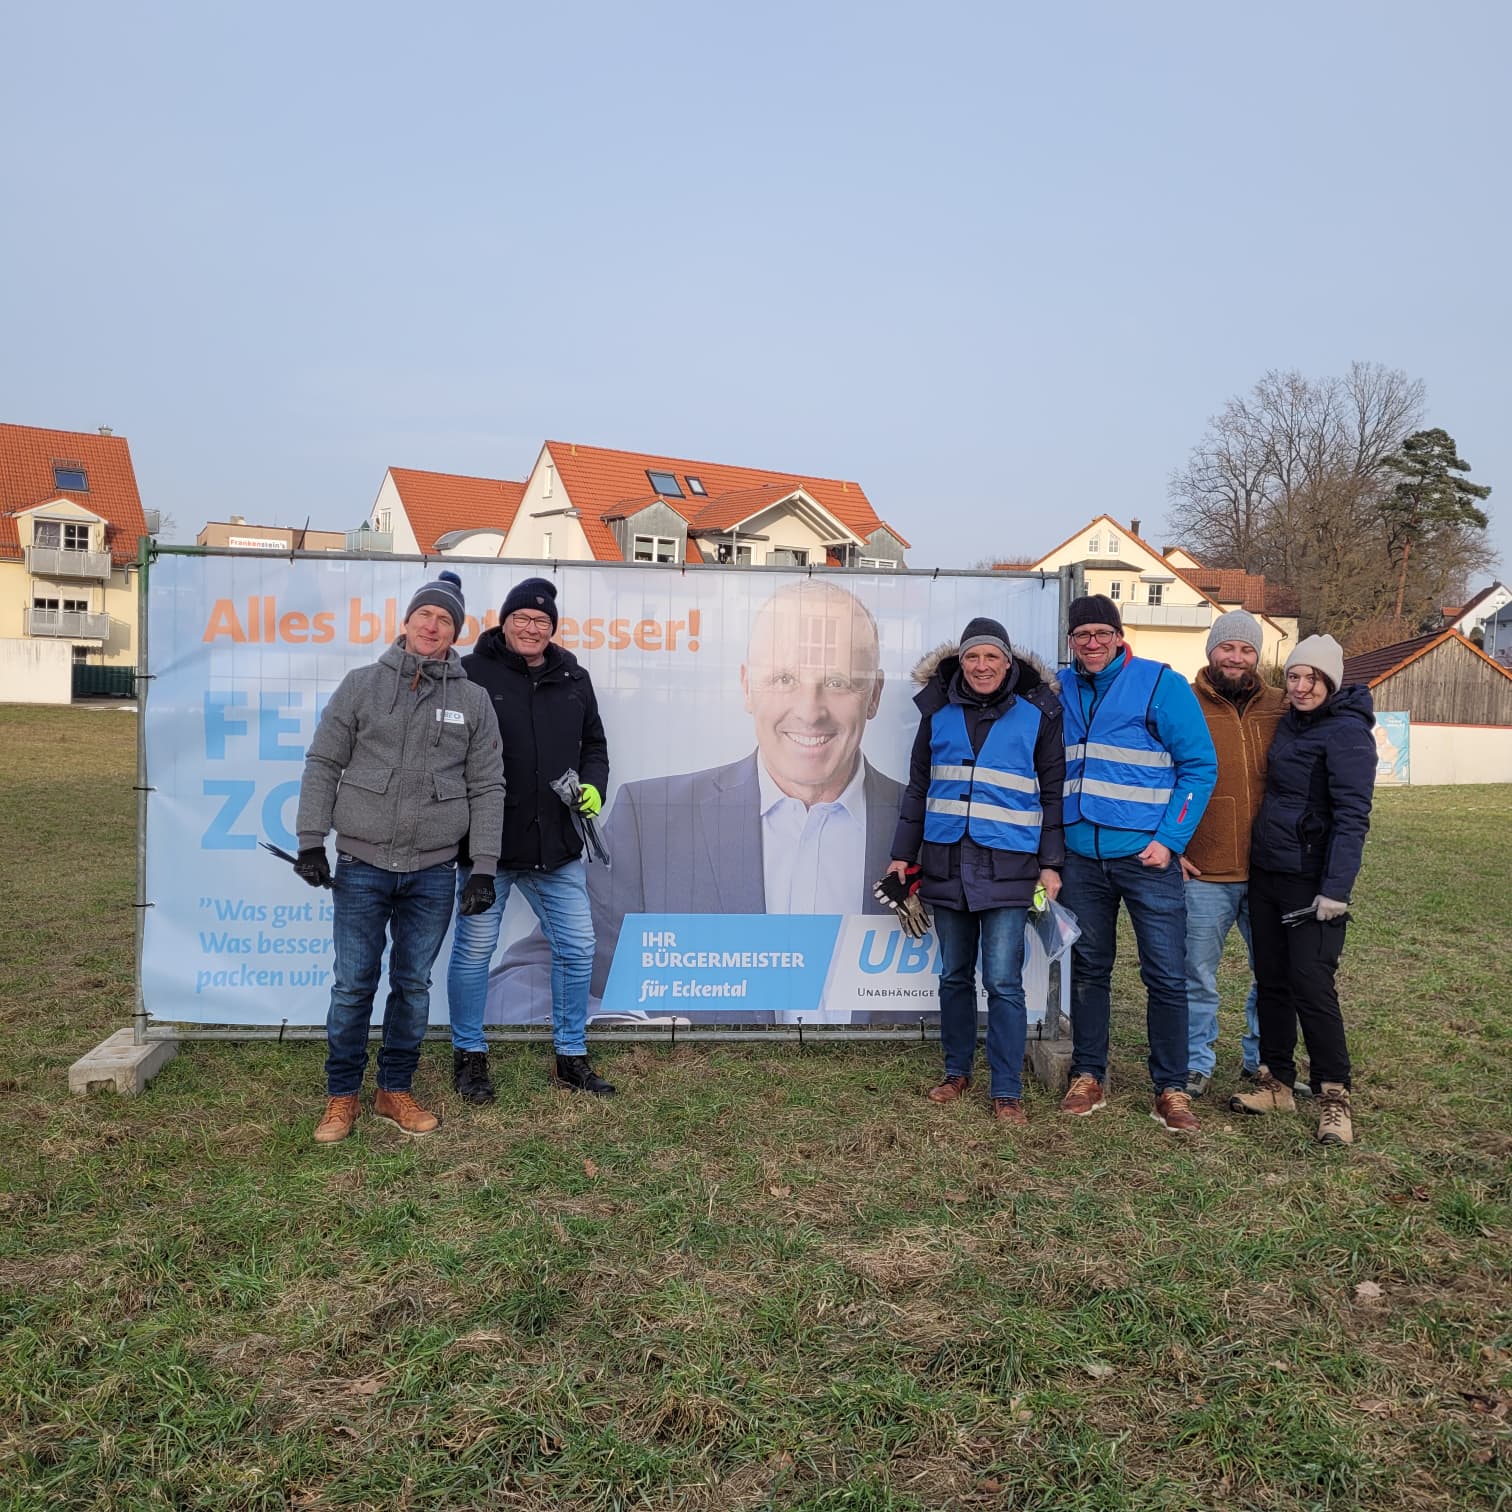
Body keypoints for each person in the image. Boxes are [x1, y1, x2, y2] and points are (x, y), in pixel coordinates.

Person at [488, 578, 903, 1021]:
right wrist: (625, 1034)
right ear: (747, 685)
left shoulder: (929, 827)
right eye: (784, 678)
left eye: (838, 681)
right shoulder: (651, 822)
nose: (810, 711)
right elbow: (524, 981)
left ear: (874, 695)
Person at [294, 570, 503, 1144]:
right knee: (352, 985)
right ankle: (342, 1095)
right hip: (361, 867)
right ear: (406, 622)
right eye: (425, 615)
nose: (433, 626)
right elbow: (323, 762)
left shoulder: (473, 700)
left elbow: (488, 785)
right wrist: (310, 839)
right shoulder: (361, 685)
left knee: (413, 985)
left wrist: (484, 865)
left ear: (456, 632)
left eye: (445, 620)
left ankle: (394, 1090)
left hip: (434, 871)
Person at [888, 618, 1064, 1124]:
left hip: (1010, 866)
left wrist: (1051, 864)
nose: (981, 666)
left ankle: (1006, 1089)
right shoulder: (937, 714)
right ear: (960, 662)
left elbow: (1053, 795)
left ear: (1008, 663)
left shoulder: (1039, 716)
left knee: (1004, 981)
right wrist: (902, 854)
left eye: (991, 657)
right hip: (946, 863)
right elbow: (918, 787)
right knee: (953, 975)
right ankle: (956, 1071)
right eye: (972, 656)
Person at [446, 576, 613, 1102]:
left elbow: (594, 745)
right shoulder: (470, 673)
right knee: (475, 953)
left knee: (578, 948)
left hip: (556, 847)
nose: (532, 628)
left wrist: (593, 786)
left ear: (552, 628)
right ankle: (469, 1055)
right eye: (521, 618)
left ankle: (570, 1056)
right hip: (486, 850)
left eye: (542, 621)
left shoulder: (574, 677)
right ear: (505, 621)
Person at [1056, 594, 1217, 1133]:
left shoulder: (1160, 683)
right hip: (1081, 856)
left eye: (1102, 633)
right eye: (1082, 635)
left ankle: (1171, 1088)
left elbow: (1199, 766)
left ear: (1119, 636)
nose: (1092, 643)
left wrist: (1170, 840)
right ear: (1071, 641)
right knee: (1088, 970)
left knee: (1166, 975)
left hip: (1147, 858)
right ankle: (1088, 1074)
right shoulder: (1060, 687)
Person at [1231, 635, 1374, 1145]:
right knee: (1272, 980)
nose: (1301, 686)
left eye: (1312, 678)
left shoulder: (1349, 732)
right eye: (1293, 676)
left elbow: (1353, 817)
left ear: (1330, 681)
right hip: (1269, 873)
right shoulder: (1290, 723)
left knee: (1311, 983)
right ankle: (1276, 1081)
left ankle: (1334, 1094)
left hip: (1313, 882)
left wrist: (1335, 890)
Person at [1180, 610, 1286, 1098]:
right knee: (1197, 976)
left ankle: (1263, 1060)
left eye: (1246, 649)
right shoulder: (1183, 701)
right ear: (1211, 651)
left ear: (1257, 656)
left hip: (1268, 869)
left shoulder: (1281, 705)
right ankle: (1195, 1061)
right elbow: (1160, 774)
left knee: (1273, 973)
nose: (1236, 658)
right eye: (1228, 647)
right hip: (1204, 869)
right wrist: (1172, 844)